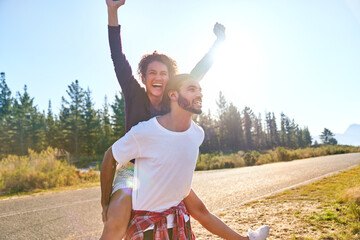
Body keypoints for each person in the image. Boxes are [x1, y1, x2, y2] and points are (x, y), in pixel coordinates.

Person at [101, 0, 227, 239]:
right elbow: (117, 56)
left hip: (161, 168)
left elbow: (199, 70)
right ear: (144, 77)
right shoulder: (133, 92)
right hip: (132, 168)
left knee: (198, 209)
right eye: (152, 73)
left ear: (170, 80)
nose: (157, 77)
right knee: (116, 223)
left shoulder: (174, 97)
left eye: (163, 73)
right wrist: (112, 11)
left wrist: (218, 44)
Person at [102, 73, 270, 239]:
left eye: (200, 90)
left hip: (180, 225)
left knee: (201, 210)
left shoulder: (197, 134)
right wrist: (105, 202)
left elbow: (189, 195)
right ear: (173, 95)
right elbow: (110, 156)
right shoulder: (146, 131)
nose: (199, 94)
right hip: (148, 229)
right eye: (191, 89)